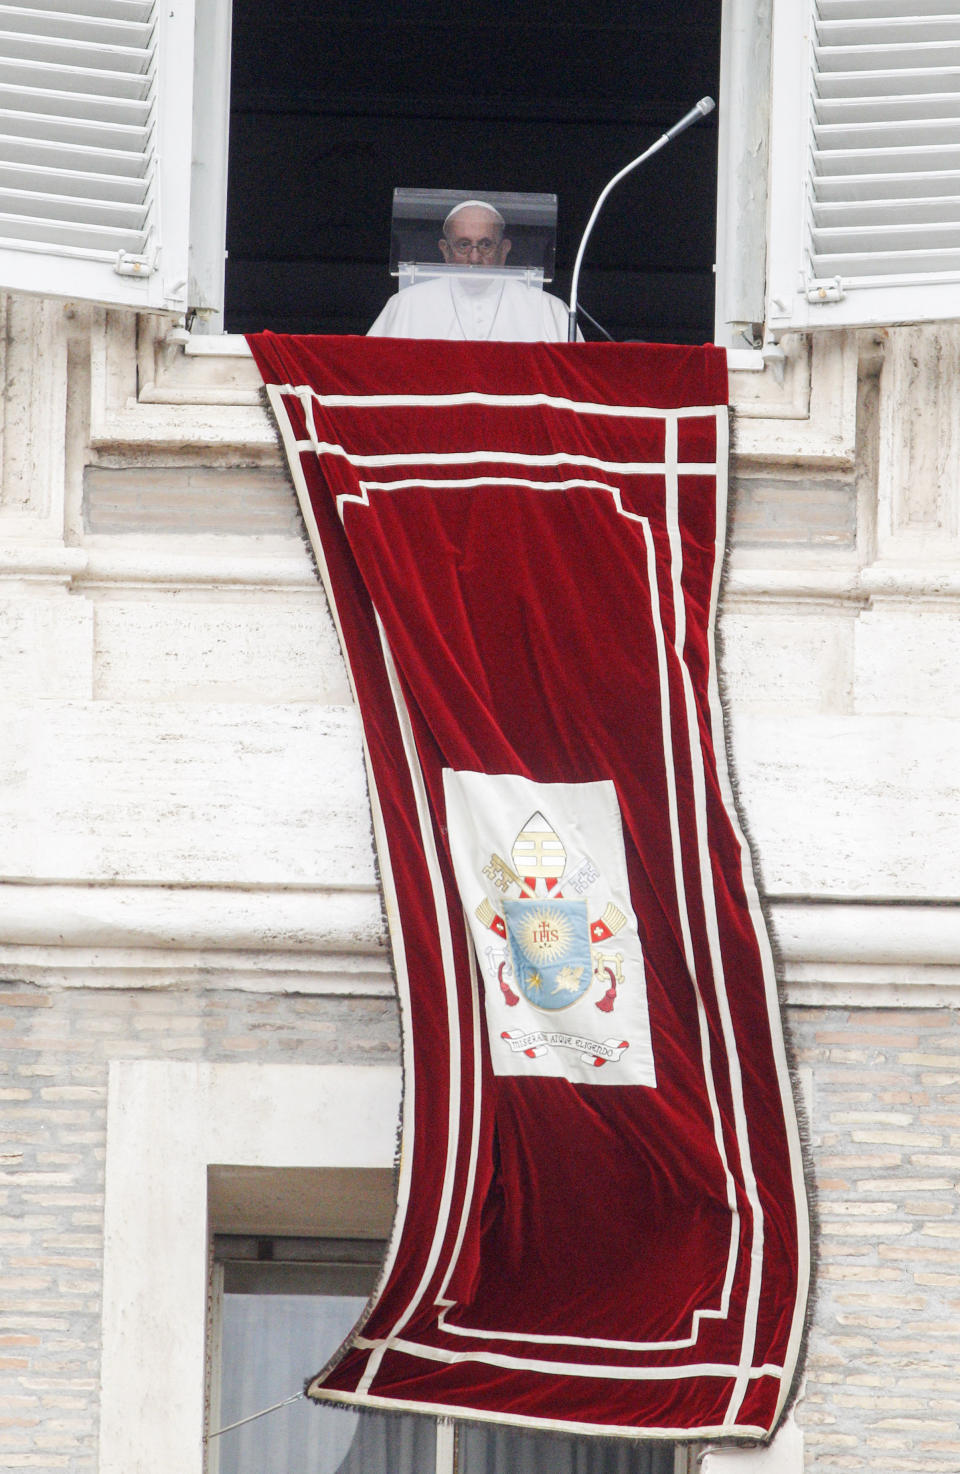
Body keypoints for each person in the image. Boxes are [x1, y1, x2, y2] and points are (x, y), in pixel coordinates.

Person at [367, 199, 574, 342]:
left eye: (485, 245)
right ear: (445, 250)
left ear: (504, 250)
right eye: (463, 245)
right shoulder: (406, 305)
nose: (474, 258)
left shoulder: (548, 310)